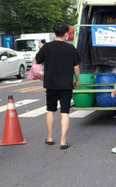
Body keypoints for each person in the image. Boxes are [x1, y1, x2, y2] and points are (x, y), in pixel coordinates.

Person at [35, 21, 81, 149]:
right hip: (66, 85)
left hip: (51, 84)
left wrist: (41, 49)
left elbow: (37, 60)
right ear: (66, 34)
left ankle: (50, 138)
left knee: (50, 110)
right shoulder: (71, 48)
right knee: (65, 112)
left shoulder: (47, 47)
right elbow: (76, 67)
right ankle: (63, 141)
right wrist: (77, 80)